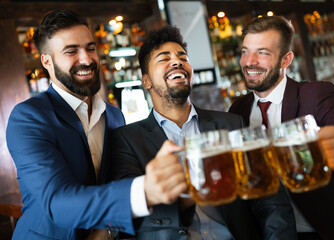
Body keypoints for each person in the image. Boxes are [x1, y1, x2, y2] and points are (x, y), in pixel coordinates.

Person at [6, 10, 187, 240]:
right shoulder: (29, 118)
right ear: (47, 61)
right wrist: (143, 191)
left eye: (90, 48)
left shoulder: (114, 116)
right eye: (71, 51)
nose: (86, 59)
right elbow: (57, 203)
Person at [108, 25, 296, 240]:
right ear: (146, 81)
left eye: (183, 57)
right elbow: (129, 212)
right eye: (163, 58)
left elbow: (271, 200)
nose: (177, 61)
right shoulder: (126, 139)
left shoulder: (231, 124)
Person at [229, 15, 334, 240]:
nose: (249, 61)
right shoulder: (236, 111)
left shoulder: (316, 94)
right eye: (244, 51)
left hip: (332, 230)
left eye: (262, 52)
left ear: (285, 59)